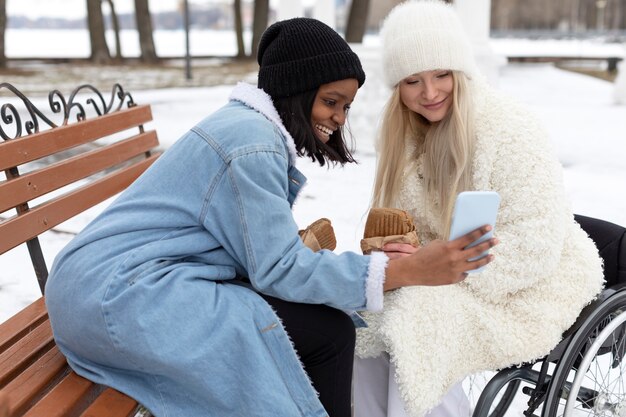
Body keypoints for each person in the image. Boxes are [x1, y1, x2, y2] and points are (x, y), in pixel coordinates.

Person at [44, 17, 498, 417]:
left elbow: (254, 251)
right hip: (118, 298)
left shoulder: (250, 128)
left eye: (346, 107)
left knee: (326, 325)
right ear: (295, 90)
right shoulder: (253, 144)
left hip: (110, 287)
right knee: (330, 333)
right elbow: (278, 269)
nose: (338, 118)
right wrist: (404, 270)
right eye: (330, 102)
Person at [352, 1, 605, 417]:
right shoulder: (405, 140)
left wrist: (443, 269)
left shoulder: (510, 129)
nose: (430, 93)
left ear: (461, 72)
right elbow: (408, 231)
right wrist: (399, 255)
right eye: (413, 81)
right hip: (442, 276)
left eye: (441, 75)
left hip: (526, 285)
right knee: (360, 315)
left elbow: (537, 240)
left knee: (416, 319)